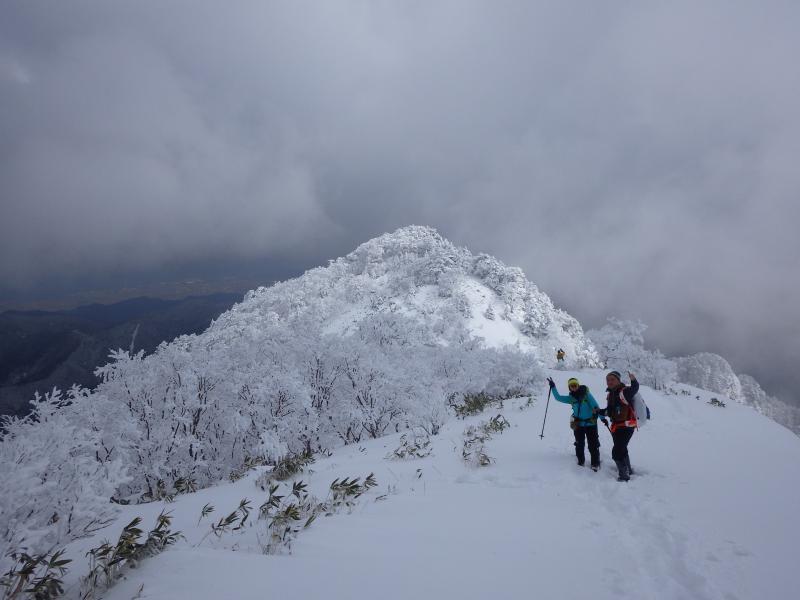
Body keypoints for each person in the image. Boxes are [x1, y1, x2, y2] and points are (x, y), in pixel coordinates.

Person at [546, 376, 601, 470]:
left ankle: (595, 463)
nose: (574, 387)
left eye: (575, 385)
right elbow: (558, 398)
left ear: (578, 385)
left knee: (593, 444)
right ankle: (581, 461)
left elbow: (595, 406)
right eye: (572, 386)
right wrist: (553, 387)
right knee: (579, 444)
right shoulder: (571, 398)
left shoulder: (586, 394)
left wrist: (602, 418)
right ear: (569, 387)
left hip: (591, 423)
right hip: (578, 424)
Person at [596, 371, 639, 482]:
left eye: (612, 379)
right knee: (622, 448)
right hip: (617, 427)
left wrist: (633, 380)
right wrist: (599, 411)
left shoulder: (624, 391)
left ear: (618, 380)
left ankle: (624, 475)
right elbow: (609, 411)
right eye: (608, 380)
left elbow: (634, 389)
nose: (609, 382)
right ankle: (628, 469)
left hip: (626, 427)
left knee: (616, 452)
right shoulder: (611, 394)